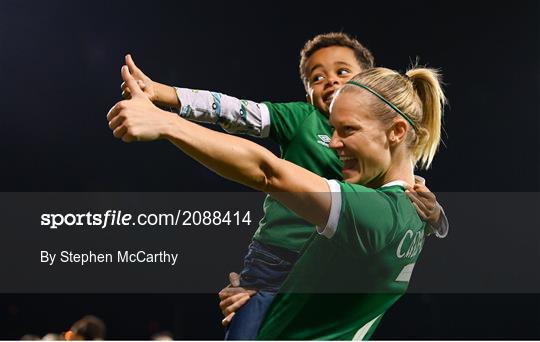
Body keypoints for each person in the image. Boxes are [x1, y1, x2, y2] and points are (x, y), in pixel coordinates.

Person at [119, 32, 448, 339]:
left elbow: (267, 172)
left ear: (397, 131)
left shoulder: (374, 214)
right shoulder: (412, 209)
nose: (333, 143)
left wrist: (166, 122)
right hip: (275, 270)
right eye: (316, 78)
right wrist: (261, 288)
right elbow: (238, 111)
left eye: (348, 130)